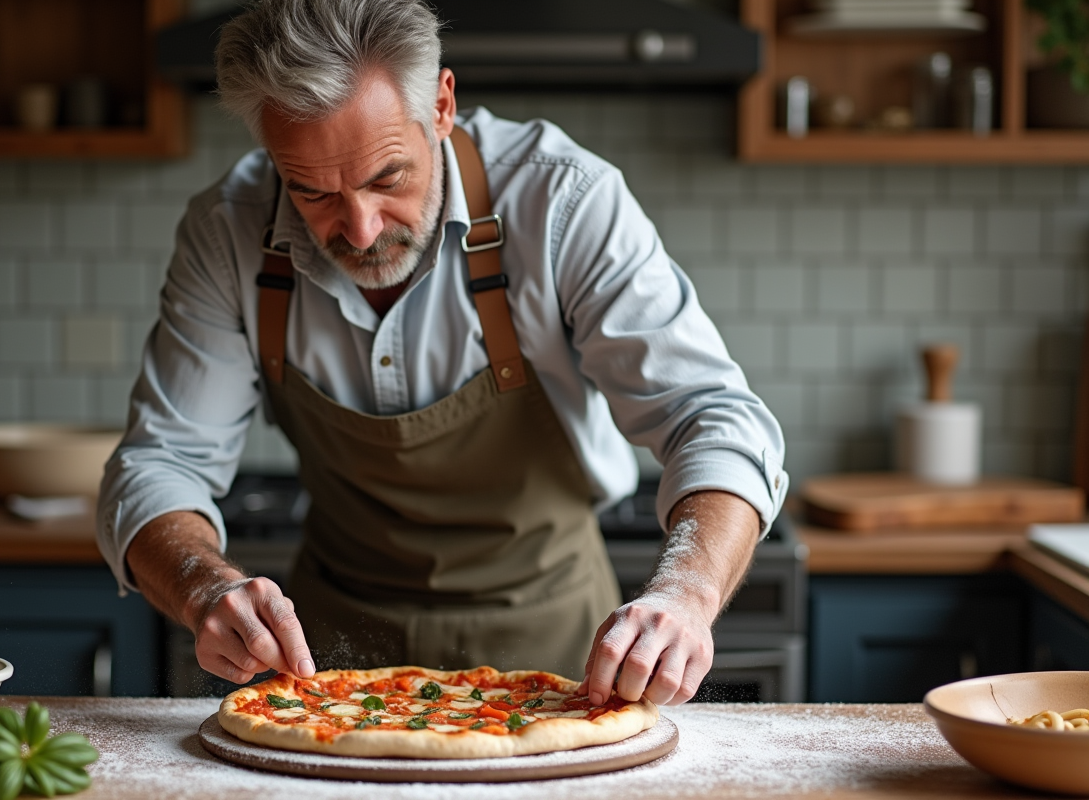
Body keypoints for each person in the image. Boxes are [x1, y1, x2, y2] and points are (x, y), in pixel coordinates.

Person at [97, 0, 787, 708]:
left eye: (387, 178)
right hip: (330, 667)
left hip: (559, 652)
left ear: (441, 105)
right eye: (311, 192)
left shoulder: (563, 202)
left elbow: (711, 417)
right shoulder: (228, 233)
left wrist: (688, 592)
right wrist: (203, 586)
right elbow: (160, 463)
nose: (360, 231)